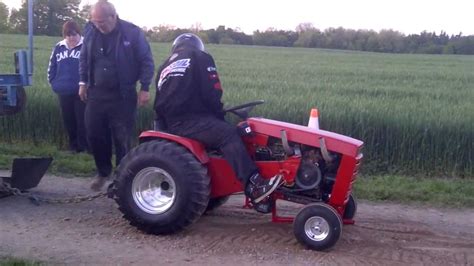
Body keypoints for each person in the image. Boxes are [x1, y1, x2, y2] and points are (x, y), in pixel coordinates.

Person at [153, 33, 282, 212]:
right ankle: (255, 185)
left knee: (222, 132)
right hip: (191, 120)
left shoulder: (164, 67)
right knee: (227, 134)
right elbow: (212, 91)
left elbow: (158, 103)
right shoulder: (200, 57)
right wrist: (219, 116)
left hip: (173, 123)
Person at [78, 0, 154, 191]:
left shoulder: (132, 33)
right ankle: (103, 172)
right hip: (96, 93)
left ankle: (122, 178)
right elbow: (84, 58)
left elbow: (146, 61)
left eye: (102, 21)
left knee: (121, 137)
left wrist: (145, 87)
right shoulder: (91, 31)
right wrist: (82, 82)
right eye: (95, 21)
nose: (98, 25)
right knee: (94, 134)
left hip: (123, 94)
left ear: (113, 16)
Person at [47, 20, 88, 153]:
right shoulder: (59, 47)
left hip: (81, 91)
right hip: (63, 90)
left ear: (78, 33)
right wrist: (54, 83)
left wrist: (87, 84)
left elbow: (91, 67)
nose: (71, 38)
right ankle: (73, 146)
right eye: (68, 35)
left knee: (82, 120)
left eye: (74, 35)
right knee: (68, 120)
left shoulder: (86, 46)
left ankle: (83, 147)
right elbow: (51, 66)